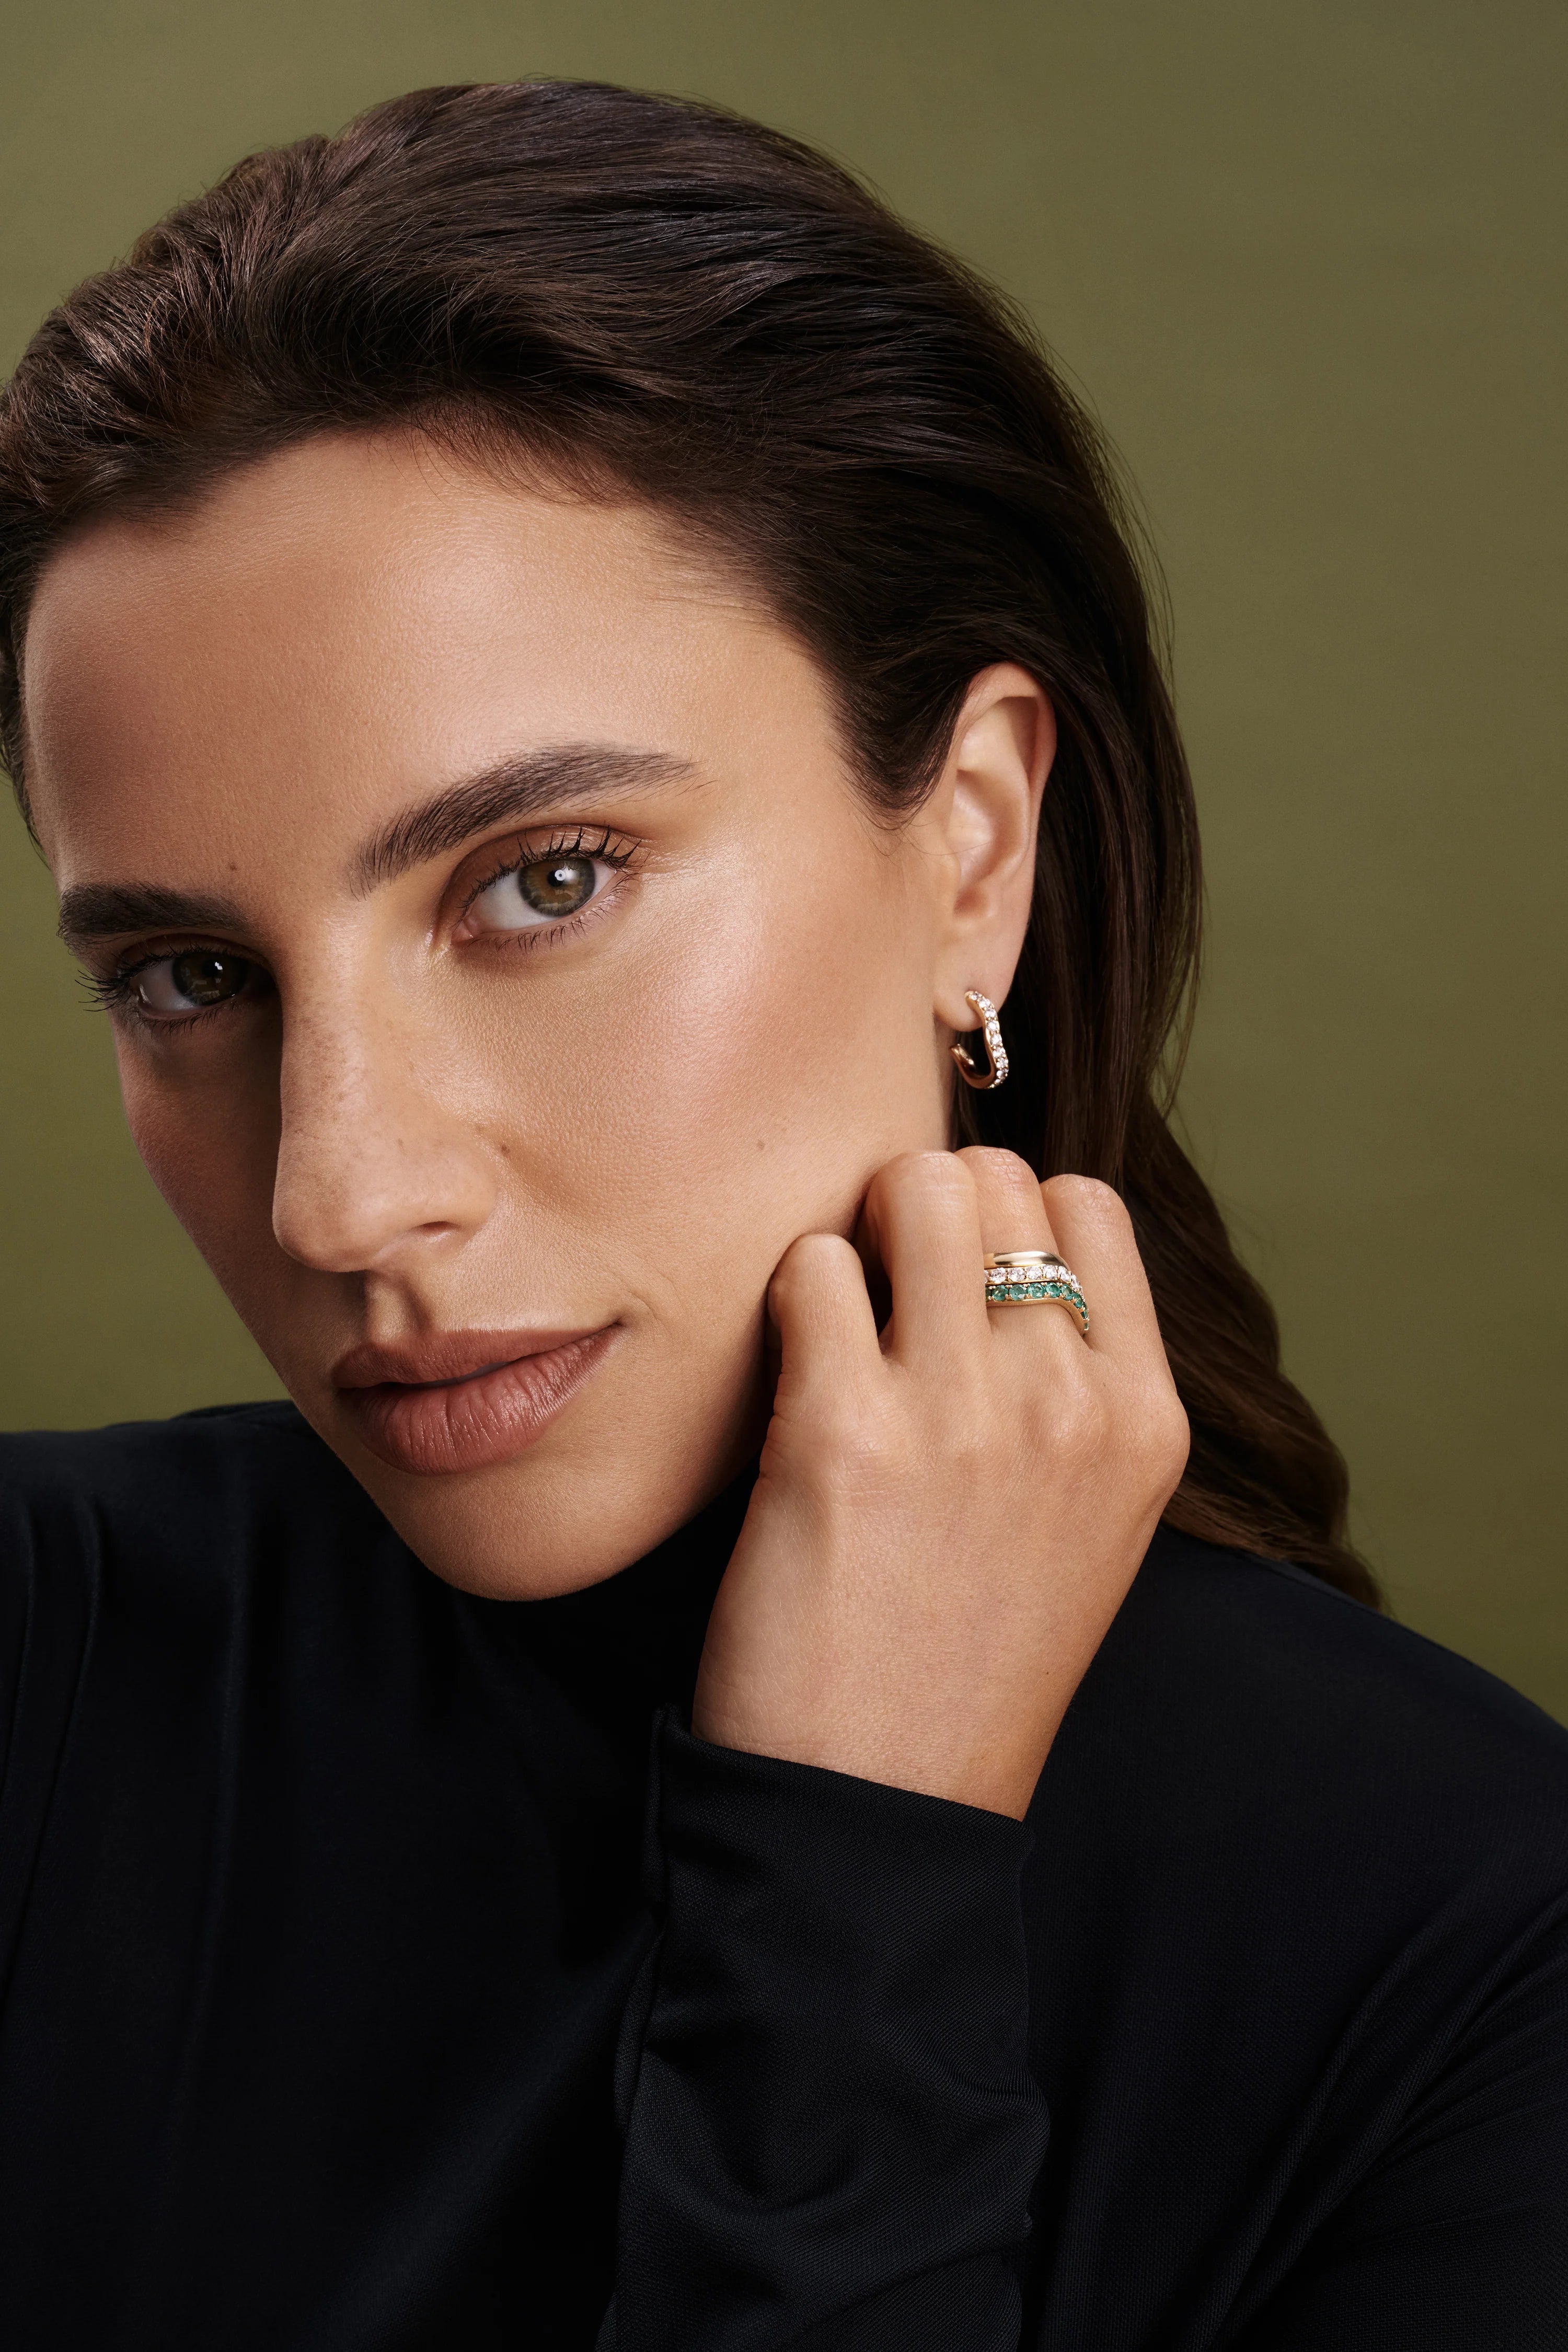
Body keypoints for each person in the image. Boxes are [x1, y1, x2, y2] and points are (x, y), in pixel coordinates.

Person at [0, 77, 1563, 2352]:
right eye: (189, 977)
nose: (344, 1190)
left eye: (545, 881)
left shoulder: (1471, 1949)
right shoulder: (40, 1664)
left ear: (976, 844)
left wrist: (853, 1881)